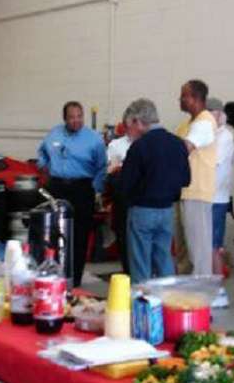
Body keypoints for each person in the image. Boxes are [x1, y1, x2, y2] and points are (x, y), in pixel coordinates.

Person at [119, 98, 190, 282]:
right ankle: (168, 297)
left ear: (137, 121)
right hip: (167, 210)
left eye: (129, 127)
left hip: (142, 210)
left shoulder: (139, 146)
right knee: (164, 258)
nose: (129, 133)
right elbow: (186, 179)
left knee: (141, 262)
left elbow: (125, 184)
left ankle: (142, 298)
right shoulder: (178, 143)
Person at [37, 101, 107, 287]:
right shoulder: (54, 134)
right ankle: (55, 275)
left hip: (82, 189)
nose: (76, 120)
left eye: (79, 116)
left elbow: (101, 167)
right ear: (65, 119)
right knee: (53, 232)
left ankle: (74, 280)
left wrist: (96, 190)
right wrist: (44, 166)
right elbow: (42, 153)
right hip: (57, 187)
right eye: (72, 117)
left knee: (79, 235)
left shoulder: (94, 139)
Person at [175, 80, 217, 275]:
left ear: (196, 98)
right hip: (183, 191)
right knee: (183, 250)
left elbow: (183, 149)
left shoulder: (204, 122)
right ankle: (185, 288)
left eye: (184, 95)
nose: (180, 99)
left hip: (197, 192)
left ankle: (202, 288)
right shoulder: (186, 124)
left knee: (198, 250)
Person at [105, 109, 139, 274]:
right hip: (123, 198)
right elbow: (110, 170)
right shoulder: (115, 145)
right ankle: (128, 272)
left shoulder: (147, 143)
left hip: (141, 198)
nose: (131, 128)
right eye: (128, 125)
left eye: (134, 124)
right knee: (123, 237)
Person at [206, 97, 234, 276]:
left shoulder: (225, 136)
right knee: (206, 244)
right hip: (206, 196)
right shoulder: (211, 134)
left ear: (219, 115)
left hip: (216, 198)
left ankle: (216, 284)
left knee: (213, 246)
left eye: (211, 114)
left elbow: (211, 161)